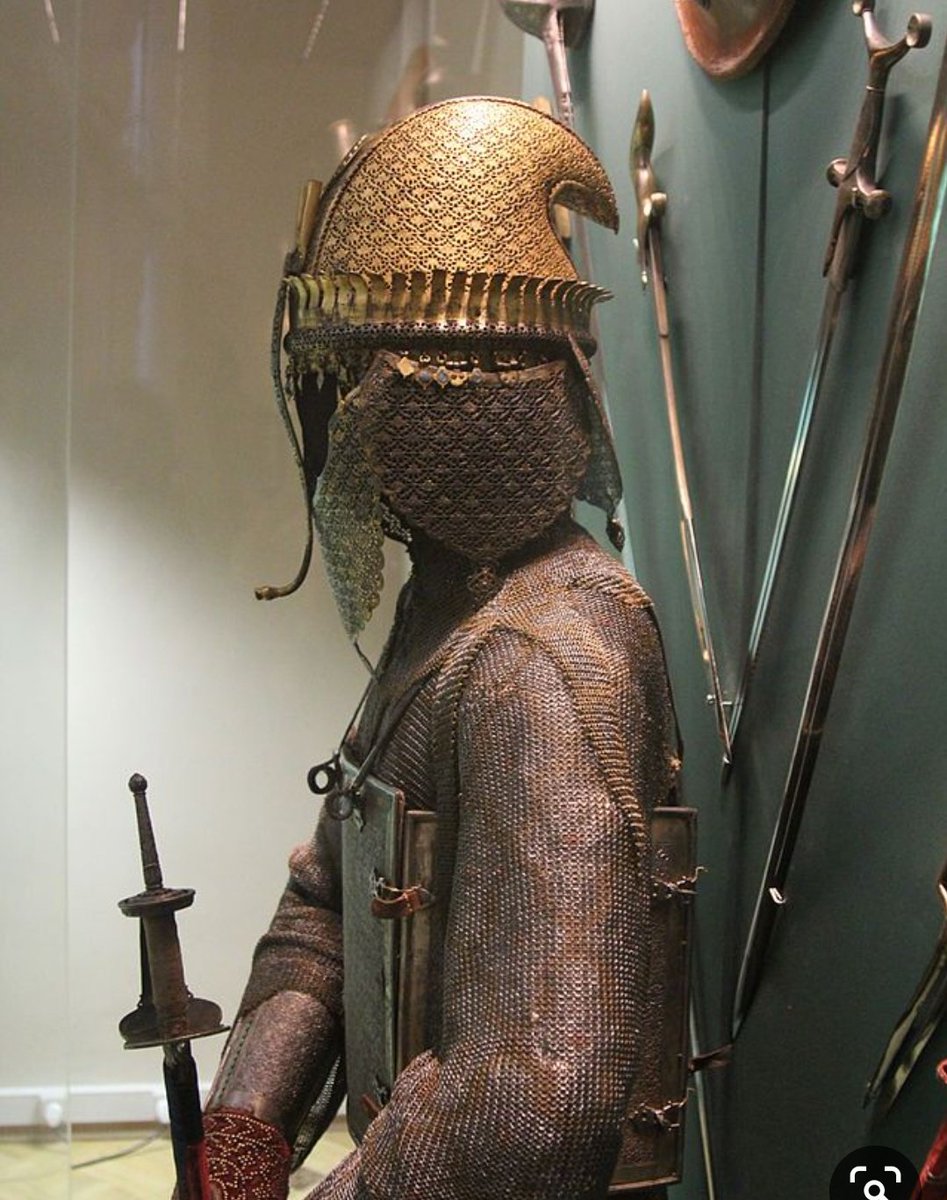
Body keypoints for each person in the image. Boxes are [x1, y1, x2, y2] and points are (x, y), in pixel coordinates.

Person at [195, 97, 688, 1200]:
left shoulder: (538, 660)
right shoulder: (451, 609)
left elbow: (528, 1099)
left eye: (346, 389)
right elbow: (327, 901)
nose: (327, 430)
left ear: (422, 406)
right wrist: (241, 1142)